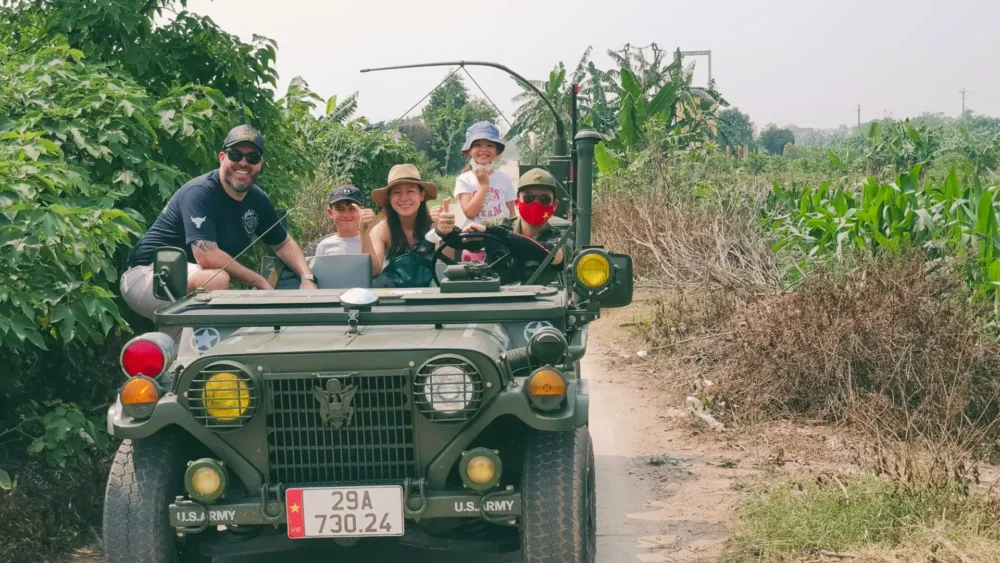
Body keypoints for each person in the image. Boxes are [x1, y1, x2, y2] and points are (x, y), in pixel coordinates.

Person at [120, 124, 316, 320]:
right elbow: (207, 257)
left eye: (252, 158)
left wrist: (307, 279)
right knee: (217, 280)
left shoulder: (258, 199)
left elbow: (282, 243)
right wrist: (259, 281)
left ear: (260, 164)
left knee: (206, 325)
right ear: (222, 157)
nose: (243, 163)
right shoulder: (199, 192)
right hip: (148, 275)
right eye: (235, 155)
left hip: (188, 281)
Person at [436, 167, 570, 285]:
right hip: (497, 303)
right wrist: (445, 231)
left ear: (554, 205)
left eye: (544, 199)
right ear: (517, 203)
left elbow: (552, 255)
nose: (536, 204)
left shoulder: (562, 238)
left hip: (542, 303)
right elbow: (464, 241)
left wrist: (499, 234)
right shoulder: (497, 226)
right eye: (529, 198)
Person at [368, 163, 440, 288]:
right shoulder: (382, 230)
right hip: (393, 295)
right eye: (397, 192)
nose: (404, 198)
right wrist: (363, 231)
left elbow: (443, 269)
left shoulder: (434, 226)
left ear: (421, 195)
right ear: (389, 199)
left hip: (429, 294)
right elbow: (373, 271)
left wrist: (442, 232)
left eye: (410, 191)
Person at [314, 185, 377, 257]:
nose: (346, 215)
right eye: (340, 209)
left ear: (362, 211)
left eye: (352, 209)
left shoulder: (374, 242)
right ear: (330, 213)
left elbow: (374, 264)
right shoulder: (324, 246)